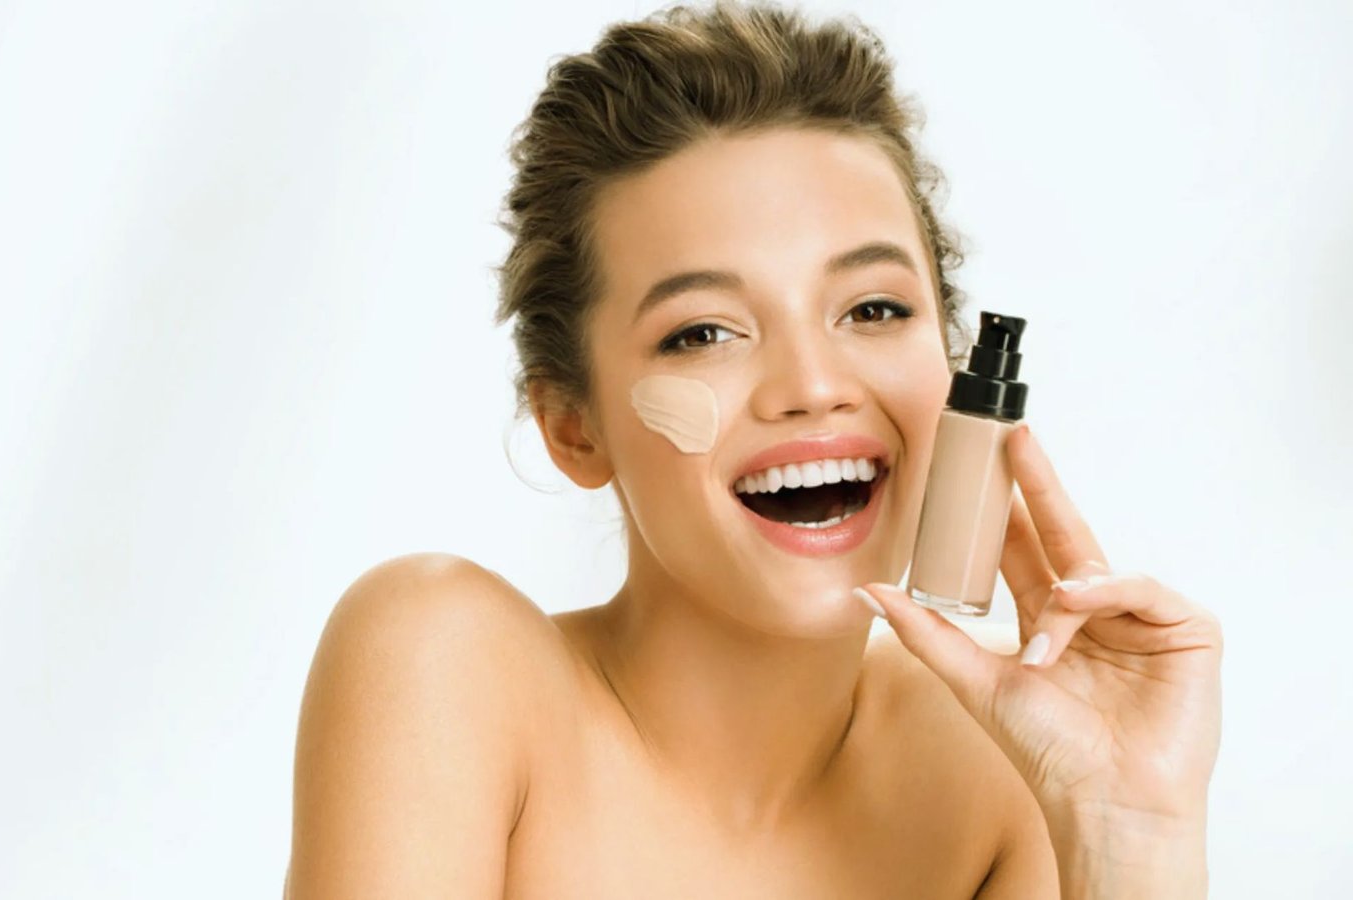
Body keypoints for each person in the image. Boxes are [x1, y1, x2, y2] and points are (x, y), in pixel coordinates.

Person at [285, 2, 1223, 896]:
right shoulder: (448, 665)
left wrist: (1125, 834)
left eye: (873, 309)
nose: (814, 385)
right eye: (703, 332)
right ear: (576, 426)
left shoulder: (997, 773)